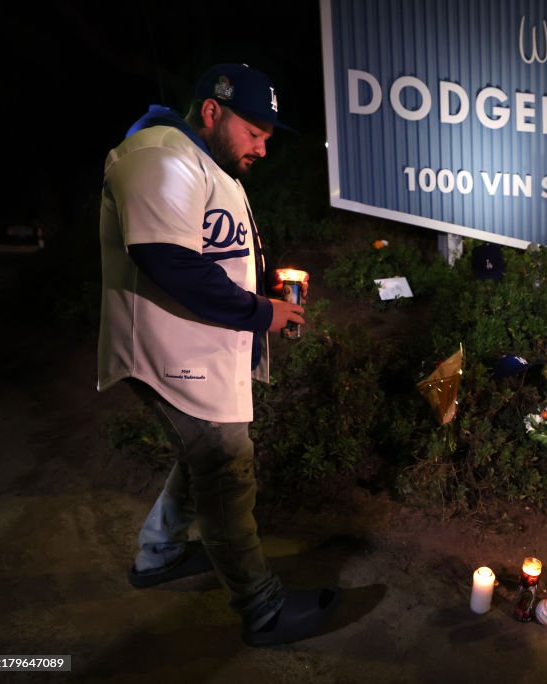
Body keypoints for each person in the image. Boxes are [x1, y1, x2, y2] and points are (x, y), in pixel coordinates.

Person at [97, 63, 338, 647]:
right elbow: (167, 259)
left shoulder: (205, 165)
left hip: (200, 354)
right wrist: (260, 312)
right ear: (211, 111)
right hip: (172, 354)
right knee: (226, 471)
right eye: (254, 131)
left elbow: (211, 254)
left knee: (201, 458)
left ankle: (159, 554)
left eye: (267, 136)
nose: (262, 147)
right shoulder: (159, 153)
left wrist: (262, 295)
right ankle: (263, 610)